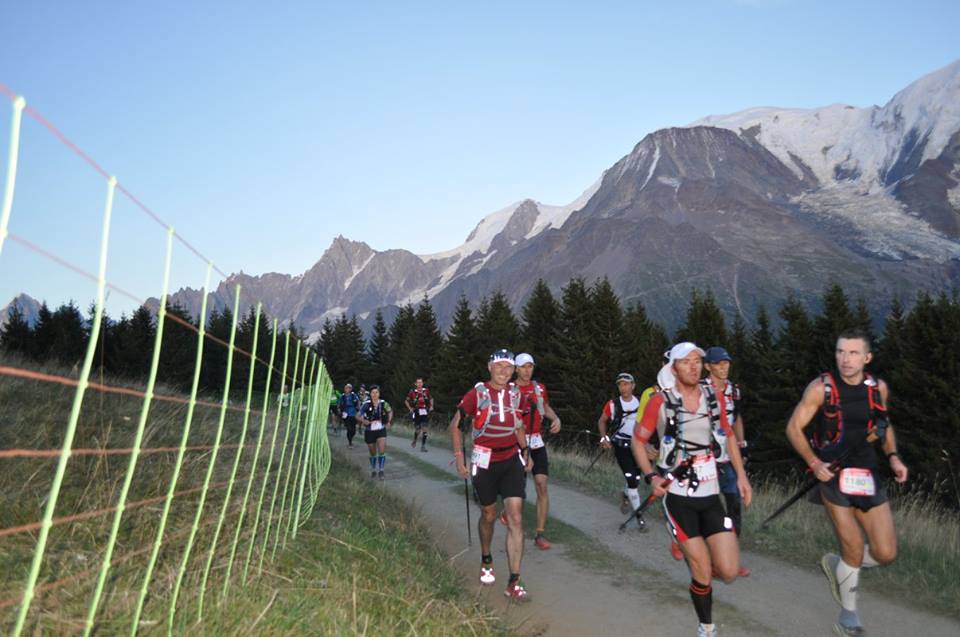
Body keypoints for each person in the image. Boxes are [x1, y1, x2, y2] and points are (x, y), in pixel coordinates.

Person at [784, 329, 908, 637]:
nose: (845, 359)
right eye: (841, 352)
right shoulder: (820, 388)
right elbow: (793, 428)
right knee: (853, 546)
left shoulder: (876, 388)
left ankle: (840, 566)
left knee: (885, 553)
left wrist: (893, 457)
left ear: (867, 358)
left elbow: (883, 424)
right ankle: (848, 615)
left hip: (867, 474)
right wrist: (814, 463)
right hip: (833, 474)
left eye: (853, 353)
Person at [634, 342, 752, 637]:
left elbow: (727, 437)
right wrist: (651, 476)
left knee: (728, 571)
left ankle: (697, 553)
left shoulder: (712, 396)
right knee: (701, 569)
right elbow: (639, 441)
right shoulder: (660, 401)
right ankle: (707, 627)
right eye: (685, 362)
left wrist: (741, 477)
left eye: (697, 361)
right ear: (673, 368)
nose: (693, 366)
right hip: (678, 496)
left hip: (711, 494)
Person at [450, 349, 532, 601]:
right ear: (489, 367)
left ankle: (514, 581)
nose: (504, 371)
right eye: (499, 366)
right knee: (489, 514)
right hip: (484, 461)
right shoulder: (477, 394)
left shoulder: (517, 395)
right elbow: (455, 425)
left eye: (509, 367)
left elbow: (518, 425)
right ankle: (486, 558)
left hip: (510, 460)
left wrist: (526, 450)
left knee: (516, 517)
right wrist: (459, 458)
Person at [702, 346, 751, 578]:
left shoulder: (734, 390)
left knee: (733, 509)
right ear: (708, 366)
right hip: (705, 460)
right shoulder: (701, 390)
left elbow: (736, 418)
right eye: (718, 363)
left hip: (728, 458)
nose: (724, 366)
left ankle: (730, 560)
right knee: (711, 511)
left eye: (726, 362)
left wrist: (742, 444)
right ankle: (708, 558)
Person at [513, 353, 561, 549]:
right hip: (516, 442)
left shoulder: (539, 388)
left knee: (541, 484)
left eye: (530, 366)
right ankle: (512, 520)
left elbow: (545, 407)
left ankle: (540, 534)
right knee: (517, 490)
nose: (527, 370)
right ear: (516, 369)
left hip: (537, 442)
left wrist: (556, 419)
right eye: (523, 366)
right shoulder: (510, 390)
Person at [597, 373, 647, 518]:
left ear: (633, 386)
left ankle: (626, 494)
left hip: (639, 445)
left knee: (637, 477)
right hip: (621, 445)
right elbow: (602, 421)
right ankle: (639, 516)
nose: (623, 387)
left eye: (626, 384)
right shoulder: (613, 404)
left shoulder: (641, 402)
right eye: (620, 384)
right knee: (631, 477)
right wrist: (603, 438)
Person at [358, 385, 393, 479]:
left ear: (379, 393)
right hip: (369, 430)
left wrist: (389, 421)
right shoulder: (366, 404)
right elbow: (357, 415)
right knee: (373, 452)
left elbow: (390, 411)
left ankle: (381, 471)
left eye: (376, 392)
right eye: (373, 392)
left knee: (382, 450)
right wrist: (363, 420)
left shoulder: (383, 403)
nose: (375, 394)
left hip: (381, 429)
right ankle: (373, 469)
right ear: (370, 394)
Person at [405, 377, 434, 452]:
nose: (419, 384)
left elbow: (431, 399)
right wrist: (410, 409)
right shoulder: (412, 392)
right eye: (418, 382)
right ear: (415, 384)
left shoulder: (426, 391)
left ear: (422, 383)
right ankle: (415, 440)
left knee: (425, 428)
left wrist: (431, 406)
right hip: (416, 411)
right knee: (418, 429)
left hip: (424, 411)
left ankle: (423, 446)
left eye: (421, 382)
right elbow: (406, 401)